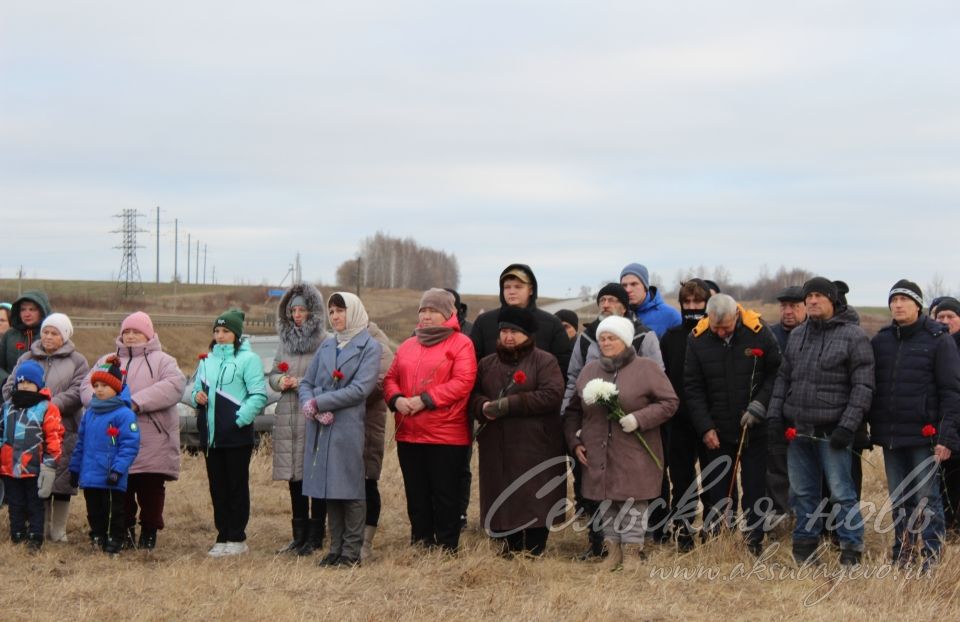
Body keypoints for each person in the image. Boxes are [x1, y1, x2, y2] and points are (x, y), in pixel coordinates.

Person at [767, 277, 875, 566]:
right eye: (808, 296)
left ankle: (851, 549)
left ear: (832, 300)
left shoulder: (854, 336)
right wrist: (775, 415)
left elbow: (863, 387)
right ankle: (805, 548)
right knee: (802, 493)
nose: (812, 300)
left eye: (818, 295)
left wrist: (847, 426)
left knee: (841, 494)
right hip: (797, 431)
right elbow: (783, 379)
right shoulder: (798, 335)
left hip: (833, 433)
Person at [564, 316, 678, 571]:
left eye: (611, 338)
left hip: (634, 451)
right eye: (602, 338)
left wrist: (639, 418)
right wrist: (575, 442)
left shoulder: (646, 368)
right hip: (597, 449)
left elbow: (670, 402)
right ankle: (612, 553)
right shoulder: (589, 371)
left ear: (625, 341)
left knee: (632, 503)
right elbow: (573, 410)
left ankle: (633, 555)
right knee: (606, 502)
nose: (605, 342)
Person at [468, 264, 571, 528]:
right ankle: (500, 527)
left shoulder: (550, 325)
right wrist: (485, 405)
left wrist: (519, 399)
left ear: (531, 289)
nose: (511, 291)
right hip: (496, 426)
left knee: (535, 481)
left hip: (537, 426)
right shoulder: (485, 322)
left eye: (518, 286)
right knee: (499, 479)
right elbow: (475, 371)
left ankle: (535, 532)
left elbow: (563, 369)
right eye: (507, 286)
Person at [868, 280, 960, 568]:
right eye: (893, 300)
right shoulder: (881, 341)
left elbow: (951, 391)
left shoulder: (938, 339)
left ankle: (931, 556)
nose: (897, 305)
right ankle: (903, 552)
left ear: (918, 305)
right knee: (900, 498)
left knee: (928, 498)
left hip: (925, 437)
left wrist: (946, 438)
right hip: (893, 436)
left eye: (904, 300)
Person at [684, 294, 782, 555]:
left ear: (736, 316)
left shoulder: (759, 332)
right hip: (717, 430)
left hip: (754, 428)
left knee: (754, 488)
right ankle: (720, 540)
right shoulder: (697, 338)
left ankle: (753, 542)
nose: (720, 332)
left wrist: (759, 406)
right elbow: (692, 387)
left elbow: (777, 373)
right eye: (715, 327)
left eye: (725, 326)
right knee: (719, 490)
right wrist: (705, 427)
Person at [80, 312, 185, 551]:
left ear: (148, 334)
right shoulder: (106, 360)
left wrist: (135, 403)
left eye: (136, 331)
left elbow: (173, 385)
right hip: (113, 438)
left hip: (153, 436)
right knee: (120, 489)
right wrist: (99, 403)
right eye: (126, 331)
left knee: (150, 488)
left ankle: (149, 531)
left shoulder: (164, 360)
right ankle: (123, 530)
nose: (130, 336)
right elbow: (86, 386)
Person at [385, 289, 477, 552]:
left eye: (433, 311)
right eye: (423, 311)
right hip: (409, 432)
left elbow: (463, 382)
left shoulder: (461, 343)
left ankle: (447, 546)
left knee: (445, 494)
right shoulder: (407, 345)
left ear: (448, 314)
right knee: (417, 493)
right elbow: (390, 379)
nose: (426, 316)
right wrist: (397, 400)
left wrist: (425, 399)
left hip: (446, 435)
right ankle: (421, 541)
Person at [299, 292, 382, 568]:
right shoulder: (326, 346)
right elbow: (306, 382)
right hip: (321, 427)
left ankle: (351, 552)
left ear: (354, 312)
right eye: (331, 311)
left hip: (348, 426)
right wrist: (308, 404)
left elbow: (359, 390)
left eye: (340, 311)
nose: (335, 316)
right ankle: (334, 549)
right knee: (327, 487)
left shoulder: (369, 347)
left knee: (350, 488)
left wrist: (319, 401)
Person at [2, 312, 88, 543]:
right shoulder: (28, 357)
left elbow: (78, 391)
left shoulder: (77, 361)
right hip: (26, 430)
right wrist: (24, 404)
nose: (49, 337)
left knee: (61, 482)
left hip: (64, 427)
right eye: (46, 332)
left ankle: (58, 530)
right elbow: (10, 385)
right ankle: (39, 527)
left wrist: (47, 406)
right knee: (35, 482)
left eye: (54, 333)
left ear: (65, 335)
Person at [192, 308, 267, 557]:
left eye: (225, 331)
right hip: (211, 437)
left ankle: (237, 537)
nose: (220, 335)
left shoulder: (248, 359)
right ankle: (222, 535)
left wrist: (239, 419)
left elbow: (258, 395)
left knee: (236, 486)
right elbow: (194, 390)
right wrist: (197, 397)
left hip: (235, 436)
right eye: (217, 331)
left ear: (236, 333)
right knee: (218, 488)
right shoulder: (206, 360)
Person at [269, 283, 328, 556]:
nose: (297, 315)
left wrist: (300, 382)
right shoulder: (284, 343)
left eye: (302, 309)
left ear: (312, 312)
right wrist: (281, 380)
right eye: (293, 310)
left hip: (312, 416)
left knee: (313, 475)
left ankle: (316, 537)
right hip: (288, 417)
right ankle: (299, 535)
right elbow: (271, 376)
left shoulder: (324, 342)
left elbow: (327, 379)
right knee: (294, 478)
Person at [659, 278, 712, 551]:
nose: (692, 307)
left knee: (716, 478)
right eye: (687, 302)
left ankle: (716, 533)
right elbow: (664, 376)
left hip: (711, 422)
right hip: (678, 422)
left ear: (707, 304)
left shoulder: (716, 334)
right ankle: (683, 532)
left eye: (697, 302)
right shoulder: (672, 337)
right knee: (681, 479)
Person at [69, 356, 140, 556]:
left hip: (110, 474)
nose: (99, 389)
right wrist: (75, 469)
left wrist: (118, 469)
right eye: (96, 385)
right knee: (94, 510)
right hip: (90, 474)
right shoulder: (90, 413)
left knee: (113, 512)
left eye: (105, 385)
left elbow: (129, 445)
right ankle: (97, 536)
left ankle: (114, 540)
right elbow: (81, 443)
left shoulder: (124, 414)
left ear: (116, 388)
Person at [0, 360, 63, 552]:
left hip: (34, 467)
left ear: (39, 384)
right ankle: (17, 533)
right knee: (15, 503)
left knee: (35, 504)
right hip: (9, 467)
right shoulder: (7, 407)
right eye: (21, 382)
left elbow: (54, 437)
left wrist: (50, 463)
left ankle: (36, 536)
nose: (24, 385)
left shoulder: (47, 408)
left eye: (29, 382)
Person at [767, 285, 806, 518]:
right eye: (784, 306)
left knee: (805, 471)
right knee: (776, 469)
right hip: (775, 412)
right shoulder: (770, 335)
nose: (788, 311)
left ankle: (805, 517)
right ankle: (778, 517)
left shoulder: (813, 335)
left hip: (805, 414)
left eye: (794, 306)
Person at [361, 316, 395, 560]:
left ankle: (365, 542)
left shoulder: (379, 345)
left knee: (367, 481)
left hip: (368, 423)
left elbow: (380, 384)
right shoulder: (338, 342)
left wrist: (342, 396)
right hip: (341, 425)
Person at [934, 296, 960, 536]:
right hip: (942, 427)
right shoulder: (934, 346)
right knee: (944, 482)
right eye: (940, 317)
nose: (945, 321)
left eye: (950, 316)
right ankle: (947, 526)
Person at [0, 290, 51, 384]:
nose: (27, 314)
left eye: (32, 309)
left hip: (43, 393)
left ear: (42, 310)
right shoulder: (10, 335)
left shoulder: (51, 336)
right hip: (9, 392)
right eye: (23, 309)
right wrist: (7, 381)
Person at [619, 263, 681, 339]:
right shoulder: (617, 315)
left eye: (634, 284)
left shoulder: (671, 316)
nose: (628, 290)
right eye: (624, 285)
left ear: (645, 287)